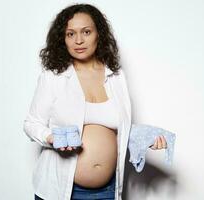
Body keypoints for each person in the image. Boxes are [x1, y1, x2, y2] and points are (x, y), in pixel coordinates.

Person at [23, 3, 167, 200]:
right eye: (70, 34)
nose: (79, 40)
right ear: (62, 39)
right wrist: (50, 137)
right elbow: (31, 123)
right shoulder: (53, 77)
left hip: (108, 191)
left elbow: (119, 127)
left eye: (86, 32)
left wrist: (145, 140)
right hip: (60, 191)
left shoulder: (116, 76)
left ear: (98, 34)